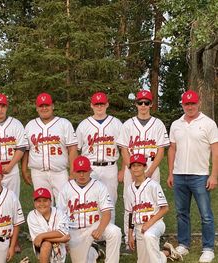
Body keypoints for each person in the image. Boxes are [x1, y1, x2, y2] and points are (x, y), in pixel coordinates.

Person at [116, 89, 169, 251]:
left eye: (146, 102)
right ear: (136, 104)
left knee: (153, 204)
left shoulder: (158, 124)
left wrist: (150, 171)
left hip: (152, 167)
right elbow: (124, 149)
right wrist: (132, 171)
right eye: (140, 102)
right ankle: (128, 240)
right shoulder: (128, 124)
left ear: (151, 104)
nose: (143, 105)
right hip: (132, 167)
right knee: (130, 205)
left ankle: (153, 237)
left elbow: (161, 150)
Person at [168, 90, 218, 263]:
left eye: (193, 103)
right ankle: (183, 244)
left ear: (199, 103)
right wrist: (170, 172)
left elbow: (215, 150)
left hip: (200, 175)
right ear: (182, 104)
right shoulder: (176, 124)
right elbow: (172, 149)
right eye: (186, 104)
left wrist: (214, 175)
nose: (190, 107)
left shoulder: (209, 123)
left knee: (205, 214)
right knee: (181, 213)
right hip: (179, 175)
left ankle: (208, 248)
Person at [57, 155, 121, 263]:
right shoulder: (66, 188)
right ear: (73, 172)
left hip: (94, 226)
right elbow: (59, 215)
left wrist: (100, 229)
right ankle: (94, 252)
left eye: (84, 171)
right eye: (79, 171)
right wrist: (64, 237)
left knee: (115, 232)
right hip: (74, 231)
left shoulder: (100, 186)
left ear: (90, 170)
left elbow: (107, 213)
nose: (81, 175)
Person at [76, 92, 122, 223]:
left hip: (110, 167)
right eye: (97, 104)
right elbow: (76, 149)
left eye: (102, 104)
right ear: (91, 105)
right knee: (90, 201)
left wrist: (123, 169)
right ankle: (92, 235)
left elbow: (124, 148)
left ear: (107, 104)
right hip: (89, 168)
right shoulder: (84, 125)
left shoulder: (116, 123)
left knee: (110, 201)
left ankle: (109, 233)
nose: (99, 107)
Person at [125, 154, 181, 262]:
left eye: (139, 165)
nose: (136, 168)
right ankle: (165, 253)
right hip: (139, 228)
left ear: (145, 167)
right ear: (130, 168)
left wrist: (149, 223)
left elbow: (165, 208)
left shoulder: (153, 185)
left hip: (156, 224)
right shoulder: (129, 189)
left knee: (149, 236)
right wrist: (130, 234)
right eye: (133, 166)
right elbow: (130, 213)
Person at [22, 93, 78, 198]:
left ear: (52, 106)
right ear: (36, 108)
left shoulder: (64, 123)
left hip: (60, 172)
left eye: (46, 105)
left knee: (64, 204)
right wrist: (24, 170)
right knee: (43, 205)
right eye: (41, 106)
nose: (44, 108)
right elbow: (26, 150)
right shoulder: (30, 125)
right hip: (38, 173)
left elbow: (72, 149)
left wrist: (73, 171)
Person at [27, 187, 70, 263]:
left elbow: (62, 232)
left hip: (60, 247)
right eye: (38, 201)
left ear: (50, 201)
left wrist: (42, 236)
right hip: (42, 247)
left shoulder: (59, 213)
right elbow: (38, 241)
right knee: (46, 244)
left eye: (45, 201)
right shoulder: (32, 215)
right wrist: (61, 239)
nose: (42, 204)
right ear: (34, 203)